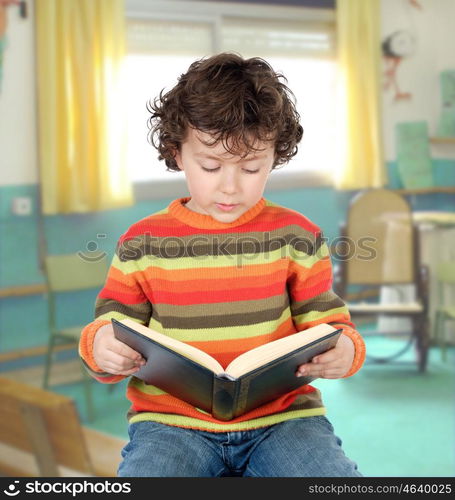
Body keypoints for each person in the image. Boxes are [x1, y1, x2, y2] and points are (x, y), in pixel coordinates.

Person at [79, 52, 366, 477]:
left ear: (275, 157)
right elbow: (111, 326)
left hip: (283, 421)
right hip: (172, 424)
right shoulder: (142, 241)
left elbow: (328, 323)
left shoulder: (297, 235)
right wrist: (102, 349)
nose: (230, 187)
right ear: (177, 153)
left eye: (252, 167)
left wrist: (345, 350)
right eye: (210, 166)